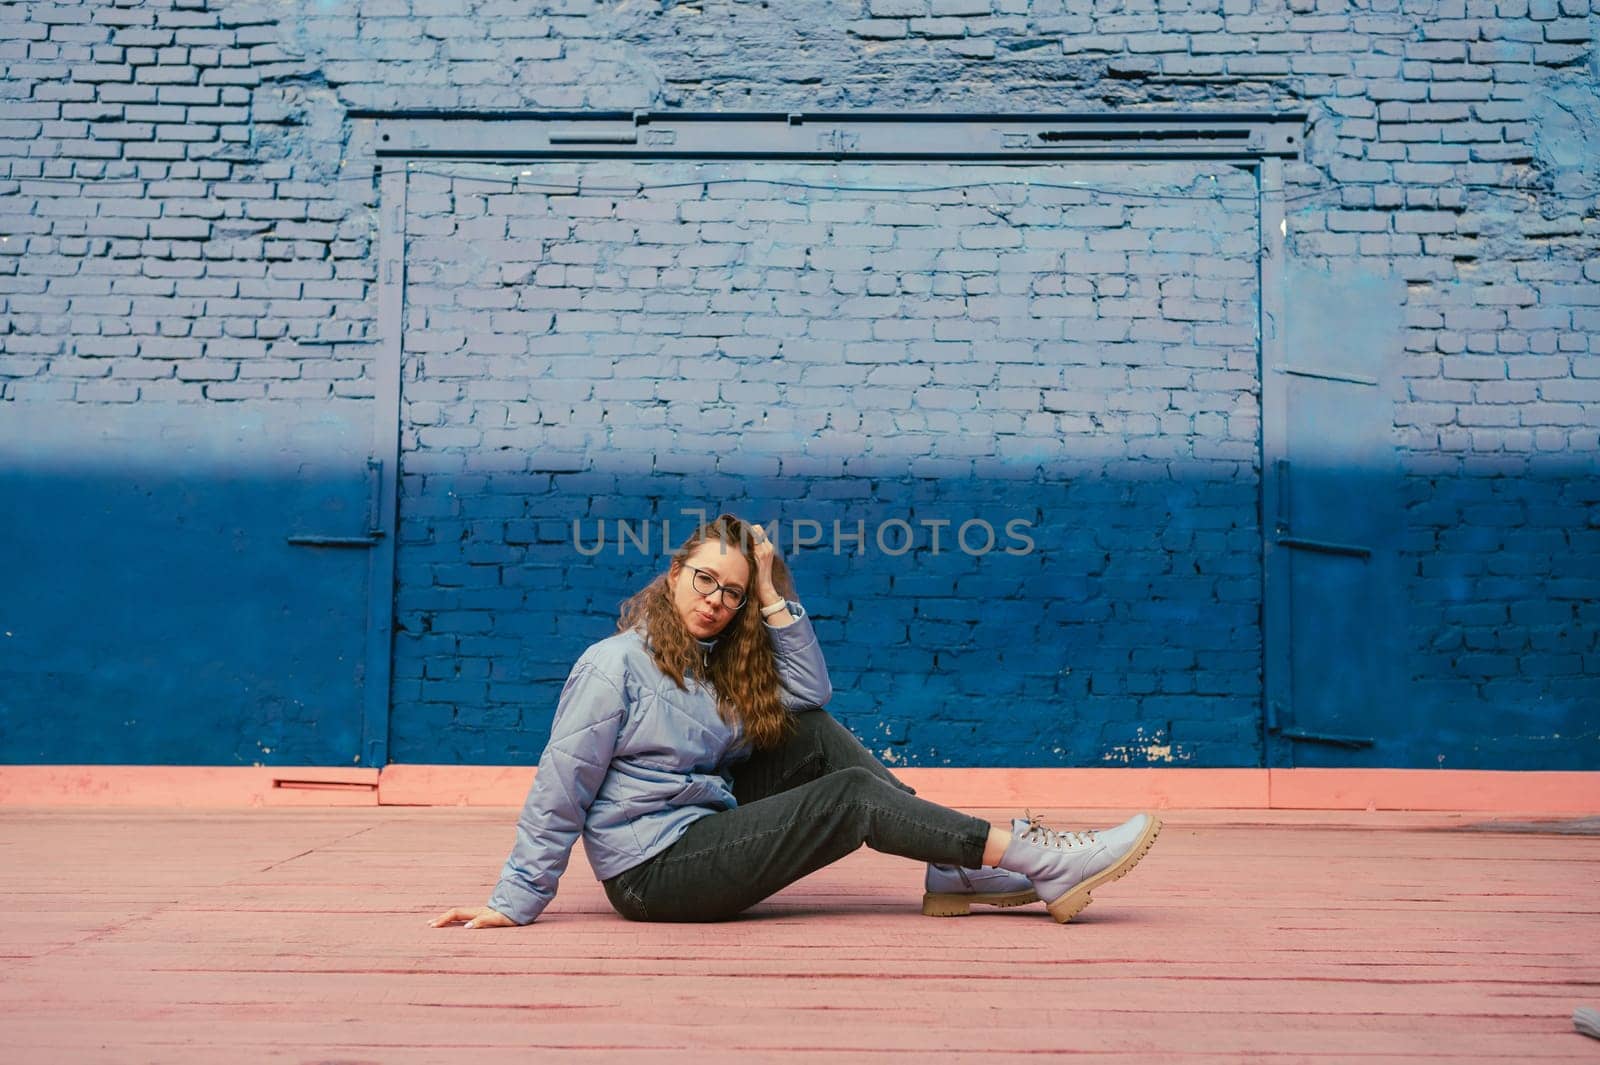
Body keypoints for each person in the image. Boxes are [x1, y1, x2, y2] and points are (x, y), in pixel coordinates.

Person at [429, 513, 1161, 929]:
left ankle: (954, 867)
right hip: (653, 870)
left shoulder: (719, 663)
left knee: (809, 737)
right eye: (704, 578)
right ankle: (1036, 859)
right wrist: (514, 899)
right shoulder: (612, 664)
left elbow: (811, 693)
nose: (716, 597)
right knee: (848, 796)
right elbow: (563, 782)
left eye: (733, 590)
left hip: (702, 818)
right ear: (673, 575)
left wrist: (774, 589)